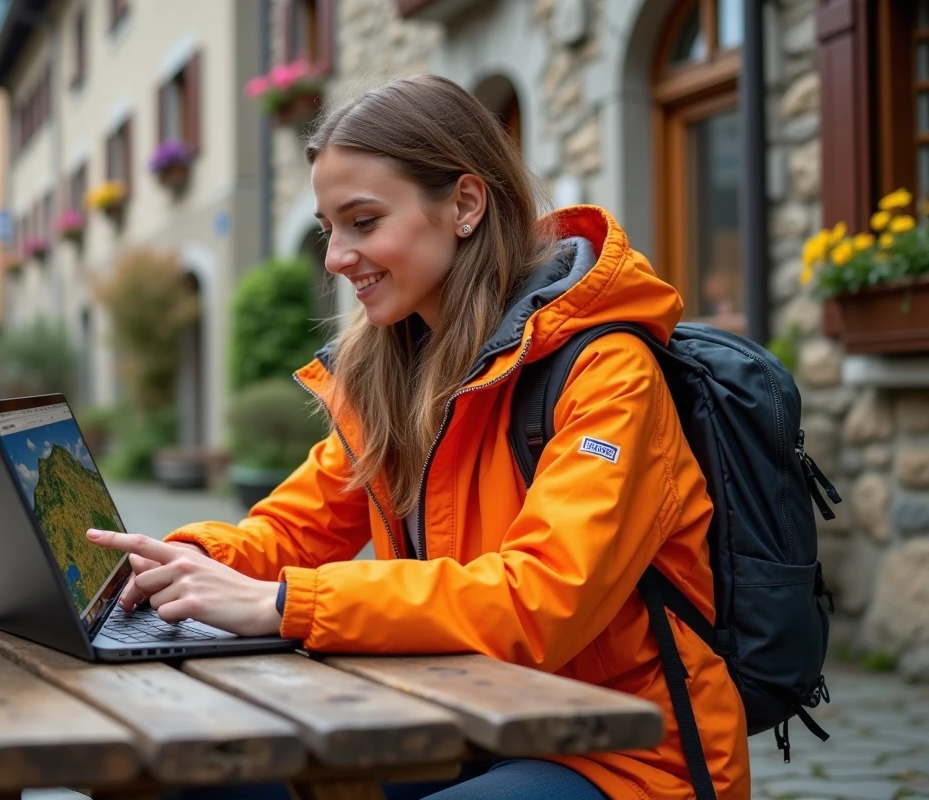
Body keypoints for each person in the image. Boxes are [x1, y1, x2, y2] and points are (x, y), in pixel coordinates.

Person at [86, 76, 748, 800]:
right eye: (327, 229)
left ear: (464, 205)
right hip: (451, 719)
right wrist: (182, 563)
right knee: (173, 773)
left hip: (623, 755)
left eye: (363, 222)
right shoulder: (390, 370)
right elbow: (294, 528)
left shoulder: (607, 372)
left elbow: (539, 602)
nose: (337, 257)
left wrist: (285, 604)